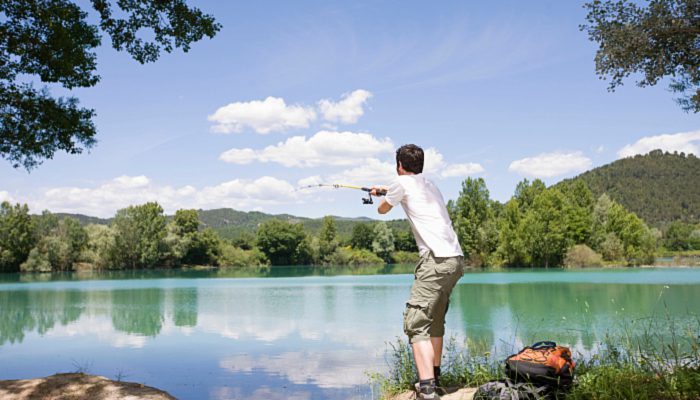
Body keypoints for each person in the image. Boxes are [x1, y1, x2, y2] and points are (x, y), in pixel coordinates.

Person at [371, 144, 464, 400]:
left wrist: (381, 195)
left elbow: (382, 209)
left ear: (399, 165)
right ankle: (435, 377)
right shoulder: (430, 185)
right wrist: (387, 190)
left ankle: (427, 388)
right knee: (433, 320)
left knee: (415, 322)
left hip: (435, 261)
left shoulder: (400, 184)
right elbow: (407, 191)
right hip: (455, 260)